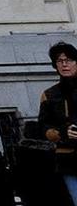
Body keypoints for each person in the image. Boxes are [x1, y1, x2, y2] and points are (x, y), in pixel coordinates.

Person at [39, 41, 77, 204]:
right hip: (68, 160)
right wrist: (61, 133)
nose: (64, 64)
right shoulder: (49, 94)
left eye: (68, 60)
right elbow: (43, 127)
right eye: (59, 61)